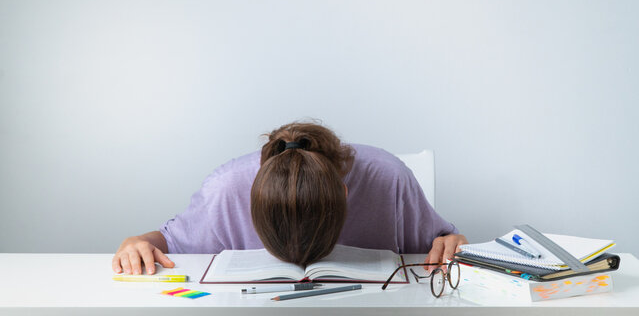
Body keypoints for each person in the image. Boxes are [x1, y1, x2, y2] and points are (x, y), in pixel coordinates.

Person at [112, 121, 467, 275]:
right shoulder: (226, 188)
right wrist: (138, 241)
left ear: (343, 195)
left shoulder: (388, 178)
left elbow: (444, 240)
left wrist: (454, 243)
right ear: (251, 198)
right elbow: (170, 242)